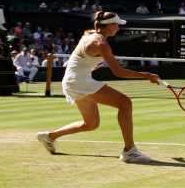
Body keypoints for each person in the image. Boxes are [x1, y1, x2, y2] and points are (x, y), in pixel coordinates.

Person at [37, 11, 159, 163]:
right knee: (125, 103)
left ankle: (49, 137)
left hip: (72, 80)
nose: (118, 28)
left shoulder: (90, 34)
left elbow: (83, 57)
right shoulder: (101, 43)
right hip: (78, 81)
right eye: (117, 25)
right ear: (108, 26)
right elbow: (118, 72)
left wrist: (90, 66)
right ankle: (129, 151)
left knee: (91, 124)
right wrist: (147, 75)